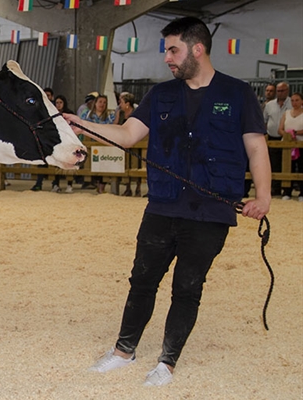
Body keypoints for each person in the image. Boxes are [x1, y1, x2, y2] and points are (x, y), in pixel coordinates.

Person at [65, 17, 270, 386]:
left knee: (187, 288)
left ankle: (167, 362)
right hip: (161, 206)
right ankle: (123, 352)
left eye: (173, 50)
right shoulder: (160, 95)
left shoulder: (238, 94)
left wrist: (264, 196)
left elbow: (256, 147)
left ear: (197, 48)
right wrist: (83, 126)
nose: (167, 59)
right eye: (166, 51)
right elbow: (128, 134)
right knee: (141, 280)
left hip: (210, 212)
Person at [82, 94, 116, 193]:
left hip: (104, 144)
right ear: (95, 103)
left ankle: (101, 187)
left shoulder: (110, 116)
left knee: (103, 164)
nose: (102, 104)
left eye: (105, 102)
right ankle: (95, 184)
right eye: (100, 102)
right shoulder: (87, 115)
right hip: (89, 143)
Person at [263, 81, 291, 195]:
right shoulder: (269, 105)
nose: (280, 93)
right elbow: (264, 121)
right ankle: (275, 188)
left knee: (288, 164)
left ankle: (287, 190)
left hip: (289, 139)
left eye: (282, 91)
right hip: (272, 137)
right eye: (278, 91)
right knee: (273, 164)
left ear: (287, 91)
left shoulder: (291, 104)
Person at [278, 92, 303, 201]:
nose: (294, 103)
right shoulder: (286, 113)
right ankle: (287, 191)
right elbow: (280, 129)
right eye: (292, 100)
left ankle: (302, 192)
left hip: (300, 144)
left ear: (302, 101)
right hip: (287, 144)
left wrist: (296, 132)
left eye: (297, 100)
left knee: (301, 167)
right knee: (287, 167)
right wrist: (288, 135)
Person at [48, 95, 75, 193]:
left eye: (60, 103)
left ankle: (69, 184)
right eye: (57, 103)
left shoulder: (69, 114)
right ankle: (55, 184)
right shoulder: (51, 113)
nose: (58, 105)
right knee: (57, 163)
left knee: (70, 162)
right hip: (56, 141)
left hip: (67, 140)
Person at [116, 92, 141, 196]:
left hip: (137, 141)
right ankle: (128, 187)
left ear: (127, 103)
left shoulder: (137, 112)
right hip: (124, 141)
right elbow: (116, 125)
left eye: (121, 102)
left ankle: (138, 188)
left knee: (137, 164)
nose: (119, 104)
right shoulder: (120, 113)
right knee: (125, 163)